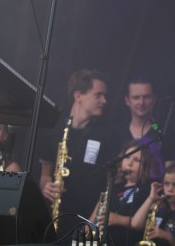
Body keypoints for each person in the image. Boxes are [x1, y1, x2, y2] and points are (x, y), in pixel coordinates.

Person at [39, 69, 119, 238]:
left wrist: (92, 222)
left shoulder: (107, 133)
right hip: (53, 216)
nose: (104, 101)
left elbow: (108, 186)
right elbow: (44, 175)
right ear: (78, 95)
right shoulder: (54, 124)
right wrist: (45, 186)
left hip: (86, 220)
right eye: (98, 95)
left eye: (105, 96)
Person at [91, 138, 164, 246]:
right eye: (127, 157)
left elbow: (140, 224)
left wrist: (118, 219)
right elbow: (92, 219)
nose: (129, 163)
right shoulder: (114, 187)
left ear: (148, 164)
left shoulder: (150, 189)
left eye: (136, 160)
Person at [118, 75, 175, 165]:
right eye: (136, 97)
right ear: (127, 101)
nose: (141, 102)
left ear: (154, 99)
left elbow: (171, 169)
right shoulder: (117, 131)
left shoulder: (163, 131)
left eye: (147, 97)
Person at [131, 159, 175, 246]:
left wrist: (165, 236)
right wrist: (151, 198)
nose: (170, 189)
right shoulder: (159, 208)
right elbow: (135, 224)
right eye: (166, 184)